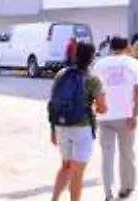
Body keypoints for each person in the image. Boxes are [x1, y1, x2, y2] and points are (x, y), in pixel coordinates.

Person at [48, 42, 107, 201]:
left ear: (75, 55)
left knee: (66, 166)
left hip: (61, 126)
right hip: (82, 128)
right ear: (92, 58)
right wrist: (95, 107)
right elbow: (102, 108)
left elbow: (53, 104)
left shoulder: (61, 74)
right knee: (78, 173)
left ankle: (54, 199)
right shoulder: (93, 79)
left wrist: (53, 130)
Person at [93, 37, 138, 201]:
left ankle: (108, 192)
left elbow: (93, 91)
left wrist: (95, 110)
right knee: (126, 153)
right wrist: (135, 114)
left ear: (110, 47)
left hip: (104, 116)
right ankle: (126, 187)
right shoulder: (133, 64)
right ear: (127, 47)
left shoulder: (100, 65)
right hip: (126, 115)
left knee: (107, 155)